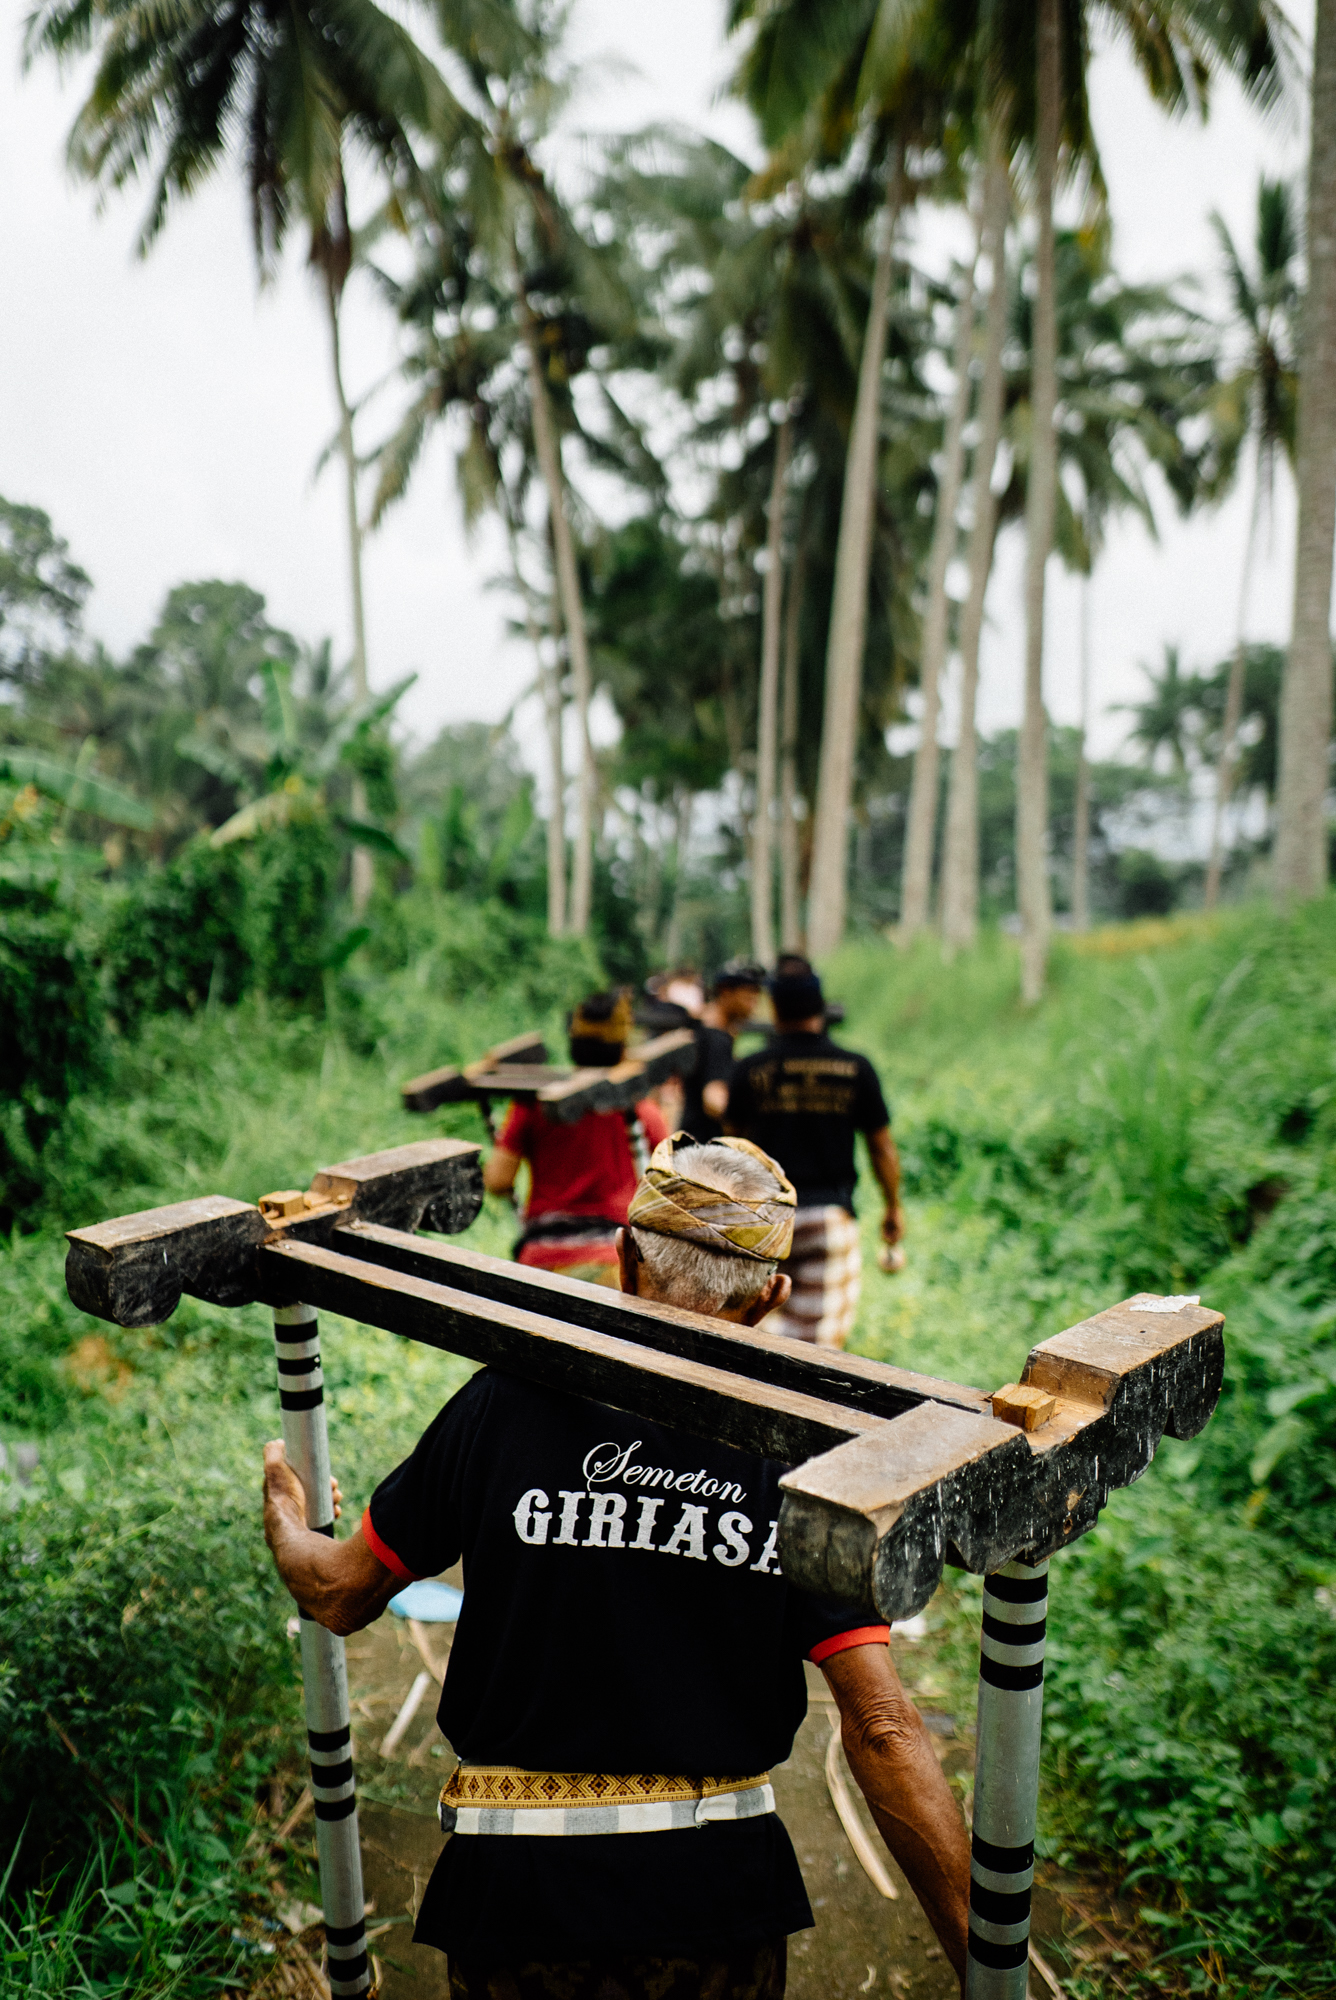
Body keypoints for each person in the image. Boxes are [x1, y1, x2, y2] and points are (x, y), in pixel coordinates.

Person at [261, 1134, 970, 2000]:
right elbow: (885, 1729)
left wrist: (287, 1517)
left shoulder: (499, 1405)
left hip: (516, 1910)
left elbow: (336, 1592)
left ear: (626, 1256)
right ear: (772, 1298)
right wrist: (987, 1961)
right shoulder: (805, 1466)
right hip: (716, 1914)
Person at [725, 956, 902, 1349]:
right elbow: (882, 1148)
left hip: (761, 1220)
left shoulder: (750, 1069)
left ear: (774, 1009)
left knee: (748, 1343)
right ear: (822, 1007)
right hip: (828, 1219)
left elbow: (731, 1146)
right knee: (815, 1355)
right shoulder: (855, 1068)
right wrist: (892, 1208)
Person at [482, 990, 668, 1286]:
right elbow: (669, 1189)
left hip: (541, 1260)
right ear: (622, 1048)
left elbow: (497, 1180)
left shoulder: (533, 1104)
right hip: (612, 1261)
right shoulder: (642, 1110)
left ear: (572, 1046)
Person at [678, 959, 766, 1144]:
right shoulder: (717, 1039)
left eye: (756, 994)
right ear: (726, 991)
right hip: (705, 1146)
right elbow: (714, 1101)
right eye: (748, 994)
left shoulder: (704, 1029)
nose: (754, 1001)